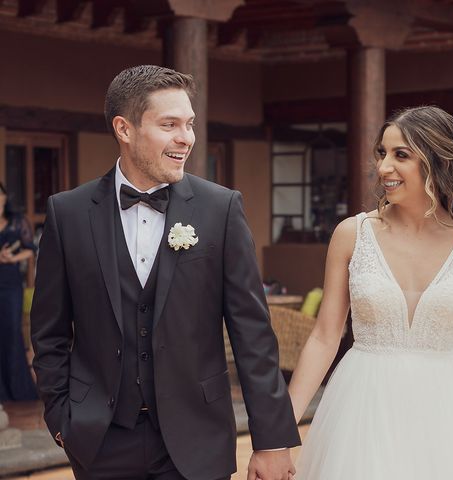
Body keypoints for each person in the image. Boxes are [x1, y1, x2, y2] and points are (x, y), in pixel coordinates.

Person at [30, 65, 300, 480]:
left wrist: (272, 439)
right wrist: (62, 419)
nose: (186, 138)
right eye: (169, 124)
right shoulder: (67, 213)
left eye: (189, 125)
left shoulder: (220, 209)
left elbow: (253, 334)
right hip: (100, 441)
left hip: (198, 439)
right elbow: (48, 331)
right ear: (124, 128)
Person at [289, 106, 453, 479]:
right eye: (382, 153)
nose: (384, 167)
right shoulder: (351, 234)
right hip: (363, 407)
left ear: (437, 161)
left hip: (449, 413)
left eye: (400, 155)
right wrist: (278, 431)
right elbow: (325, 337)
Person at [0, 182, 39, 402]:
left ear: (5, 198)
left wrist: (11, 258)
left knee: (13, 333)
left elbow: (30, 250)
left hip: (11, 286)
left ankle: (18, 390)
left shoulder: (17, 222)